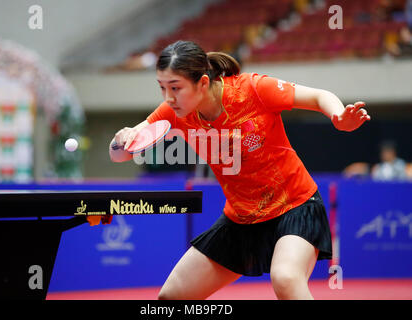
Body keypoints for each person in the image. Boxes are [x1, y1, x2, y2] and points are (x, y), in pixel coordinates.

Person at [111, 40, 370, 300]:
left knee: (286, 279)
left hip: (294, 206)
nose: (168, 97)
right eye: (162, 88)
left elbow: (318, 96)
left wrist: (338, 117)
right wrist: (125, 137)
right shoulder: (173, 111)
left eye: (175, 88)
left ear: (202, 82)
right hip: (241, 219)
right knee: (172, 297)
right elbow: (119, 154)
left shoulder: (254, 89)